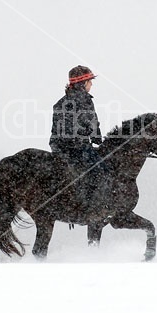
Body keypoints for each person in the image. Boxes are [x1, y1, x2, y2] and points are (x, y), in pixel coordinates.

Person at [49, 65, 107, 210]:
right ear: (82, 83)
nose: (92, 84)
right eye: (90, 81)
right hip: (76, 148)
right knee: (102, 169)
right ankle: (93, 206)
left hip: (58, 148)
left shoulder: (60, 103)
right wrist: (96, 138)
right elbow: (91, 124)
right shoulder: (85, 101)